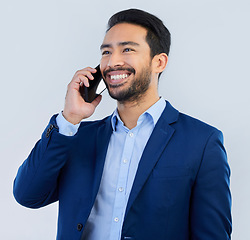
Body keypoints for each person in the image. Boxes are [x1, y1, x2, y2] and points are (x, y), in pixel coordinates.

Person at [13, 8, 232, 240]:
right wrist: (69, 118)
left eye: (127, 49)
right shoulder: (77, 136)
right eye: (106, 52)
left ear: (159, 62)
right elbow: (28, 195)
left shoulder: (202, 142)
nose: (112, 62)